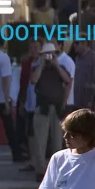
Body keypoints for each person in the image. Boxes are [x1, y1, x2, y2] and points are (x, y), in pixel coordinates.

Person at [29, 43, 72, 178]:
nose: (49, 57)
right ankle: (40, 170)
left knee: (57, 141)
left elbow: (67, 80)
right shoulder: (37, 67)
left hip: (57, 108)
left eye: (52, 54)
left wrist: (56, 64)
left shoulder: (61, 68)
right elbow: (33, 80)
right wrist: (42, 64)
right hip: (43, 107)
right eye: (47, 54)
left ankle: (57, 170)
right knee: (40, 141)